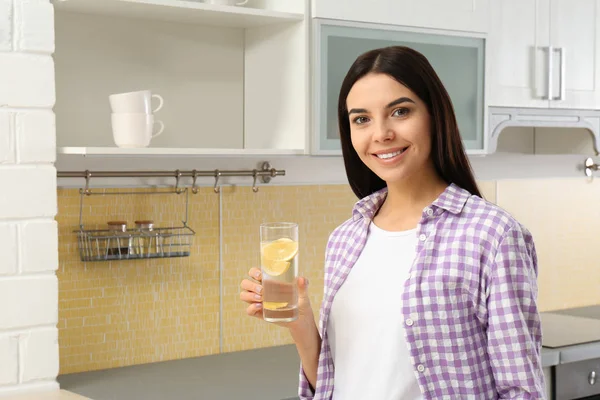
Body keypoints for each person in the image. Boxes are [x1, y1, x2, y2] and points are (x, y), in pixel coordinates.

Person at [239, 46, 546, 399]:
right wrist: (300, 321)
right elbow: (334, 379)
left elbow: (521, 390)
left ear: (435, 114)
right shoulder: (346, 238)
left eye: (400, 111)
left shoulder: (492, 236)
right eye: (361, 119)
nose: (381, 133)